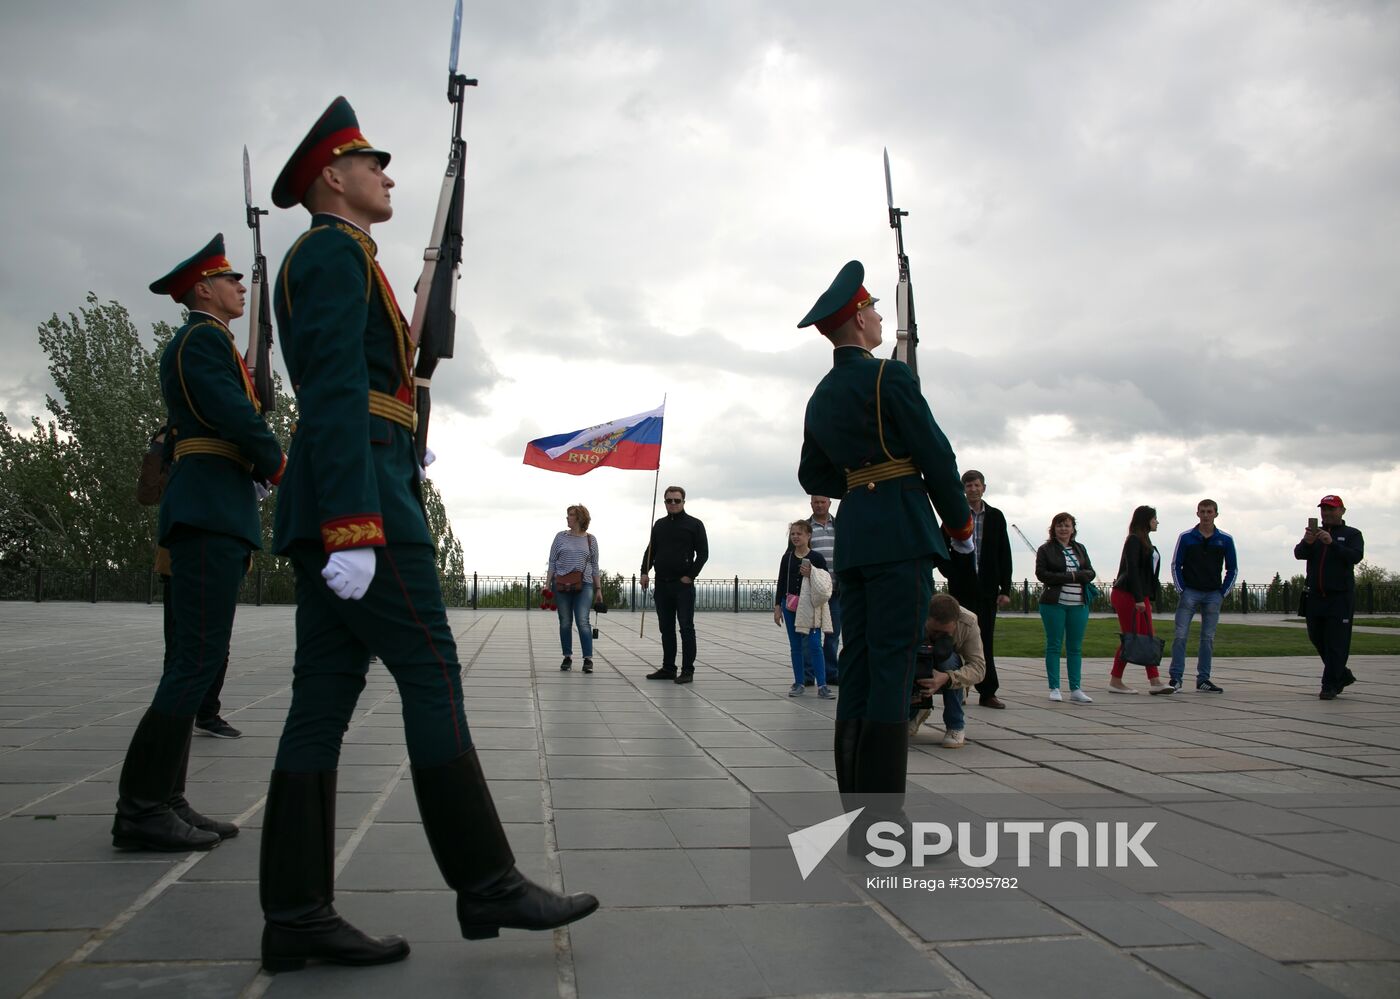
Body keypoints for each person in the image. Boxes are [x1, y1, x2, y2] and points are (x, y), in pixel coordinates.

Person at [259, 96, 596, 973]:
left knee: (321, 704)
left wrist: (405, 420)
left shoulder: (346, 256)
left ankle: (295, 912)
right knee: (433, 673)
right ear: (333, 176)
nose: (388, 173)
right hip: (363, 499)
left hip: (362, 479)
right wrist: (354, 525)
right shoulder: (331, 253)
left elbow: (367, 381)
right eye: (372, 162)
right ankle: (485, 879)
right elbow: (331, 389)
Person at [110, 235, 285, 855]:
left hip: (214, 509)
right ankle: (141, 808)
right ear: (202, 290)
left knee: (197, 660)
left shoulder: (210, 342)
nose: (240, 287)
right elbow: (233, 417)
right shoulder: (202, 339)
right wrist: (277, 463)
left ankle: (165, 798)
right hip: (209, 511)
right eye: (229, 280)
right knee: (194, 662)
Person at [796, 260, 973, 843]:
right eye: (871, 310)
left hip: (857, 536)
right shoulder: (888, 378)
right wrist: (959, 520)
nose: (877, 318)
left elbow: (811, 472)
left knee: (862, 668)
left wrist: (855, 473)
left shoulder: (821, 396)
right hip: (899, 529)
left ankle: (857, 814)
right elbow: (935, 452)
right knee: (894, 672)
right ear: (856, 319)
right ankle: (883, 826)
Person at [136, 429, 243, 739]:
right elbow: (146, 495)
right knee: (179, 646)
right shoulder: (171, 456)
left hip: (219, 553)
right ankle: (171, 715)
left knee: (218, 646)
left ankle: (207, 712)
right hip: (177, 560)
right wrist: (156, 452)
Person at [939, 470, 1013, 708]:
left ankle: (988, 690)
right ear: (963, 489)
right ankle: (958, 687)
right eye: (968, 485)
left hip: (988, 589)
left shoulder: (996, 517)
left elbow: (1004, 552)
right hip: (962, 589)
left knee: (985, 640)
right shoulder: (955, 516)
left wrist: (1006, 588)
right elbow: (941, 549)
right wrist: (951, 573)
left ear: (984, 488)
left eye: (976, 485)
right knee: (957, 639)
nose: (973, 489)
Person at [1295, 495, 1365, 700]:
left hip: (1340, 597)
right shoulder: (1314, 535)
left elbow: (1355, 557)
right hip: (1316, 596)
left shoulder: (1352, 534)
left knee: (1336, 642)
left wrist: (1332, 543)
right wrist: (1308, 542)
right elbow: (1299, 554)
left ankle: (1330, 685)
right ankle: (1341, 674)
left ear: (1342, 511)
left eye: (1331, 509)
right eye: (1324, 509)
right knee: (1317, 637)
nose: (1326, 513)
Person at [639, 485, 709, 684]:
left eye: (676, 500)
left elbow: (703, 554)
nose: (673, 504)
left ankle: (687, 670)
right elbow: (650, 550)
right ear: (664, 502)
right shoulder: (659, 525)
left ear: (683, 502)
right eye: (669, 500)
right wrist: (645, 571)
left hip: (682, 586)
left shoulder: (695, 524)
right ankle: (668, 668)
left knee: (686, 627)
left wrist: (690, 576)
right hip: (662, 585)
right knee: (666, 628)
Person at [1169, 499, 1238, 693]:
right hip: (1190, 591)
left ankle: (1203, 679)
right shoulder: (1186, 537)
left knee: (1207, 638)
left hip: (1213, 594)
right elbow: (1176, 564)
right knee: (1180, 635)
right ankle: (1176, 678)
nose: (1206, 515)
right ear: (1197, 513)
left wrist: (1222, 592)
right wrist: (1181, 589)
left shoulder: (1225, 539)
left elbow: (1232, 568)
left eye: (1209, 512)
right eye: (1202, 511)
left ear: (1216, 514)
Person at [1109, 505, 1173, 694]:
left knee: (1147, 636)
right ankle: (1115, 681)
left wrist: (1145, 597)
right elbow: (1133, 570)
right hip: (1128, 595)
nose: (1157, 522)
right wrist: (1138, 598)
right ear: (1146, 520)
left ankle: (1154, 681)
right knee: (1131, 637)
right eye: (1154, 518)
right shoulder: (1134, 540)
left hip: (1139, 595)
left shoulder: (1145, 540)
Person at [909, 593, 986, 748]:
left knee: (949, 660)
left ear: (956, 623)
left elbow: (979, 668)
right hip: (916, 663)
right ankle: (914, 713)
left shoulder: (968, 623)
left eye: (944, 634)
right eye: (933, 631)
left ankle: (955, 726)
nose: (937, 637)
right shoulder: (912, 615)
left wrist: (948, 678)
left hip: (948, 670)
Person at [1036, 513, 1096, 703]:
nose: (1063, 529)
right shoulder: (1045, 549)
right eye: (1059, 525)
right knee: (1054, 644)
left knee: (1075, 647)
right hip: (1054, 604)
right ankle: (1054, 687)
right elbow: (1043, 575)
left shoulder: (1080, 548)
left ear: (1073, 528)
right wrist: (1071, 576)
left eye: (1067, 525)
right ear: (1053, 529)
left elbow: (1090, 572)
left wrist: (1072, 575)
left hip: (1078, 604)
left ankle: (1076, 688)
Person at [773, 520, 832, 698]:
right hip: (790, 605)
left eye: (799, 533)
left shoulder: (817, 558)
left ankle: (822, 685)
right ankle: (799, 682)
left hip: (810, 606)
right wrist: (777, 607)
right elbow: (782, 581)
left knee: (815, 645)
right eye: (793, 534)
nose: (796, 537)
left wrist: (811, 573)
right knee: (795, 646)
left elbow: (824, 582)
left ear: (808, 535)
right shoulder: (788, 557)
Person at [546, 504, 600, 673]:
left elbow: (595, 565)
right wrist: (547, 584)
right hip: (561, 585)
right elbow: (552, 561)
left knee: (583, 621)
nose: (567, 517)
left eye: (570, 515)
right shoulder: (560, 537)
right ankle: (567, 657)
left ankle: (588, 659)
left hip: (584, 585)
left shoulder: (590, 540)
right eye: (568, 514)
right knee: (565, 622)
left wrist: (598, 588)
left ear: (580, 518)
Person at [804, 495, 841, 686]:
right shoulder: (805, 528)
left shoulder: (839, 526)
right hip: (813, 591)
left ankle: (830, 673)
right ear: (811, 504)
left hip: (835, 589)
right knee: (811, 634)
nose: (819, 505)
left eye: (822, 502)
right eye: (816, 502)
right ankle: (809, 674)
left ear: (829, 503)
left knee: (832, 634)